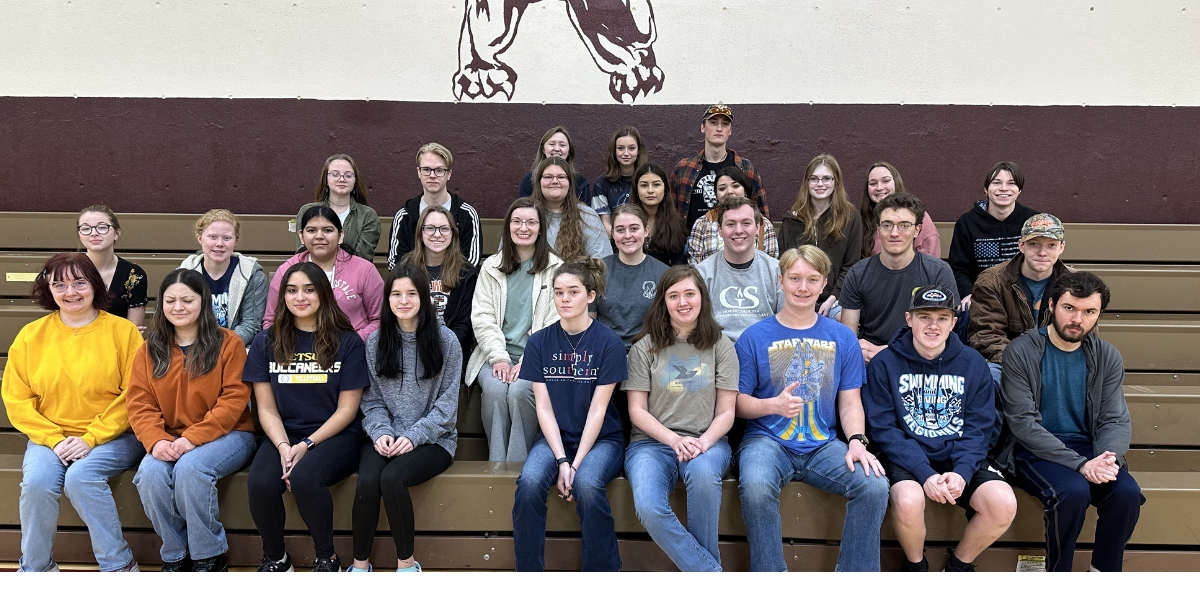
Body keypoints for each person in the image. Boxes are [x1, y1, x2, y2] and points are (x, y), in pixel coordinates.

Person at [734, 246, 889, 572]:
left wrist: (858, 441)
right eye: (795, 278)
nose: (802, 287)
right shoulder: (754, 336)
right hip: (767, 441)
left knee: (874, 486)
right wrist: (771, 405)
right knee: (756, 487)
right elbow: (736, 403)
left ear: (823, 285)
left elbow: (849, 402)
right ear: (781, 281)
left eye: (811, 279)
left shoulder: (841, 337)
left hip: (823, 444)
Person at [2, 253, 145, 572]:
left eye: (79, 282)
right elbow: (17, 398)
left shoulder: (123, 333)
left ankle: (119, 566)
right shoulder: (30, 336)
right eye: (60, 284)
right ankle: (36, 569)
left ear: (94, 284)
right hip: (50, 437)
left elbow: (134, 396)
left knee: (80, 478)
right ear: (48, 289)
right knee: (37, 482)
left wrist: (91, 438)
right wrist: (53, 439)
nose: (71, 292)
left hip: (114, 436)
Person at [995, 271, 1143, 572]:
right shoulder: (1021, 351)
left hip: (1089, 449)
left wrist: (1107, 457)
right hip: (1033, 451)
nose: (1078, 319)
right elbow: (1022, 423)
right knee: (1073, 492)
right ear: (1051, 305)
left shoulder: (1106, 356)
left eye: (1089, 311)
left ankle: (1103, 573)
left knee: (1126, 494)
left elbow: (1114, 418)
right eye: (1069, 308)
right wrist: (1080, 465)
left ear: (1099, 314)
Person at [863, 284, 1017, 572]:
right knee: (908, 500)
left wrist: (963, 471)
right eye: (924, 317)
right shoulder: (885, 364)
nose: (933, 325)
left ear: (954, 322)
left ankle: (958, 566)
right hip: (907, 457)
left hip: (960, 454)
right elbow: (884, 430)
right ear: (909, 319)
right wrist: (924, 473)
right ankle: (916, 566)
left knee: (1003, 503)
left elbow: (979, 426)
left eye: (942, 318)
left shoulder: (972, 363)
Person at [244, 261, 370, 572]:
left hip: (337, 435)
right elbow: (266, 408)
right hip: (284, 433)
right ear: (283, 296)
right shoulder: (266, 341)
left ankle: (326, 558)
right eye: (292, 290)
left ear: (323, 294)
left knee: (305, 477)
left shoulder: (348, 341)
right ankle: (276, 558)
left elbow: (347, 410)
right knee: (260, 482)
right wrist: (285, 446)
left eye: (309, 290)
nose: (300, 297)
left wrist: (307, 445)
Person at [127, 269, 256, 572]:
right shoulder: (149, 349)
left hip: (230, 434)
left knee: (191, 468)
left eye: (187, 299)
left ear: (203, 302)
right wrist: (155, 439)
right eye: (170, 300)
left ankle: (208, 554)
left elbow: (233, 400)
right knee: (150, 474)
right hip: (168, 437)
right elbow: (139, 403)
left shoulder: (229, 343)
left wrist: (193, 438)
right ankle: (175, 554)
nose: (178, 306)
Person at [512, 259, 628, 572]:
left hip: (602, 439)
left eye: (573, 291)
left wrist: (575, 466)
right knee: (529, 483)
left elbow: (598, 410)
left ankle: (602, 574)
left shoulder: (609, 343)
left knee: (588, 485)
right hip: (556, 437)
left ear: (590, 296)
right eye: (559, 292)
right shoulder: (539, 341)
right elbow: (544, 407)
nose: (564, 298)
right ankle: (528, 575)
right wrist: (563, 460)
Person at [624, 265, 738, 572]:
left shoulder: (721, 346)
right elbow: (637, 410)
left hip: (707, 441)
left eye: (690, 293)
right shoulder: (644, 347)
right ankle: (708, 573)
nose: (682, 302)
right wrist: (674, 439)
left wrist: (702, 442)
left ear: (702, 297)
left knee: (703, 479)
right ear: (663, 302)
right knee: (648, 506)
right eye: (673, 296)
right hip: (651, 444)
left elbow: (727, 411)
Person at [349, 265, 461, 573]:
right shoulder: (376, 342)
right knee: (369, 481)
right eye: (396, 294)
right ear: (387, 300)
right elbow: (370, 400)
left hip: (434, 440)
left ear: (425, 299)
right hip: (386, 436)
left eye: (411, 293)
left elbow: (447, 407)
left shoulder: (447, 341)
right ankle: (360, 567)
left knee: (392, 478)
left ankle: (407, 566)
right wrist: (381, 432)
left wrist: (412, 437)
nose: (404, 300)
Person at [466, 197, 564, 462]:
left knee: (521, 391)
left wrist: (528, 359)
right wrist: (499, 357)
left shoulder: (556, 268)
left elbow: (555, 322)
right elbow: (482, 316)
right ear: (508, 226)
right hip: (493, 355)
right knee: (496, 392)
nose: (524, 227)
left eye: (531, 222)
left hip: (537, 357)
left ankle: (519, 465)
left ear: (541, 228)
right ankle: (498, 464)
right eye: (517, 221)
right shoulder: (491, 267)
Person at [840, 192, 957, 365]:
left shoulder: (938, 272)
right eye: (887, 225)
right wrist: (858, 351)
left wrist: (890, 351)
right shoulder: (858, 273)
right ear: (878, 229)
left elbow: (943, 335)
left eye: (904, 225)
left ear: (917, 230)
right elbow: (847, 337)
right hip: (870, 361)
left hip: (921, 359)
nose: (894, 233)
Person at [969, 213, 1072, 386]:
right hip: (1008, 364)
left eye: (1051, 245)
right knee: (992, 375)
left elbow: (1085, 336)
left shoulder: (1076, 285)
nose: (1042, 253)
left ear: (1061, 247)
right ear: (1021, 245)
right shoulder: (992, 281)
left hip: (1058, 365)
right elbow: (987, 336)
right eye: (1034, 244)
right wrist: (1025, 368)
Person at [265, 205, 384, 342]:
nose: (319, 236)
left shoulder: (364, 270)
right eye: (311, 230)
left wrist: (352, 343)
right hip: (299, 354)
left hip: (352, 352)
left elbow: (380, 320)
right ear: (301, 236)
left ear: (341, 235)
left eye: (327, 230)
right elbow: (271, 321)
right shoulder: (286, 270)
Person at [779, 154, 863, 318]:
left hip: (835, 300)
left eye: (826, 179)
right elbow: (783, 263)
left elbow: (851, 265)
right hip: (797, 296)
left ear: (835, 182)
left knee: (844, 321)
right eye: (814, 179)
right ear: (807, 183)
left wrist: (832, 299)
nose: (820, 184)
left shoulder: (851, 217)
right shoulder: (793, 219)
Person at [948, 161, 1039, 306]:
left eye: (1011, 183)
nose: (1004, 188)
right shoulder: (967, 222)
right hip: (982, 298)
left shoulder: (1033, 221)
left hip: (1025, 298)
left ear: (1019, 189)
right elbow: (959, 269)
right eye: (997, 183)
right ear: (986, 189)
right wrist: (969, 293)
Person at [695, 196, 782, 342]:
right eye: (730, 224)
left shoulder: (776, 271)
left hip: (764, 350)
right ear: (720, 230)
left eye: (746, 223)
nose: (739, 230)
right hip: (717, 353)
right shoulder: (702, 273)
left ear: (757, 228)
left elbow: (786, 326)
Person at [400, 205, 480, 361]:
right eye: (430, 228)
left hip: (451, 350)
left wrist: (438, 347)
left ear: (453, 233)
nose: (437, 235)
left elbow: (463, 327)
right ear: (420, 232)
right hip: (411, 347)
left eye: (444, 229)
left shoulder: (466, 273)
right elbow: (400, 316)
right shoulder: (406, 268)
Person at [671, 103, 768, 231]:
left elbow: (761, 211)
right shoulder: (684, 168)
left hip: (736, 239)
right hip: (690, 243)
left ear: (730, 131)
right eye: (713, 123)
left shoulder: (745, 167)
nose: (719, 128)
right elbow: (670, 209)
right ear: (702, 127)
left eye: (725, 124)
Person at [180, 209, 268, 346]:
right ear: (199, 238)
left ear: (236, 241)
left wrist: (221, 346)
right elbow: (180, 319)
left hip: (235, 347)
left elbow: (251, 325)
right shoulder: (184, 273)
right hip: (194, 346)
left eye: (227, 238)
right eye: (213, 237)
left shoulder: (252, 275)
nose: (220, 243)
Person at [388, 142, 482, 269]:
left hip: (454, 286)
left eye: (439, 170)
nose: (432, 175)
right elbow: (396, 264)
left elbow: (471, 264)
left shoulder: (467, 214)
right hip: (415, 286)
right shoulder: (405, 215)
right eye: (426, 169)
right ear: (418, 172)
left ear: (448, 174)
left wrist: (442, 285)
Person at [594, 205, 669, 350]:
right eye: (620, 230)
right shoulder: (598, 270)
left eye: (634, 229)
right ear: (613, 233)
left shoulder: (664, 273)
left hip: (649, 353)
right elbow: (589, 321)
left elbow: (667, 325)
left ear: (646, 231)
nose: (627, 235)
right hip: (606, 351)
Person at [295, 154, 382, 262]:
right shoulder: (306, 211)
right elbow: (302, 254)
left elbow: (362, 258)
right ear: (326, 180)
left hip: (353, 276)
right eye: (335, 174)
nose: (342, 179)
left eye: (348, 175)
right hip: (313, 275)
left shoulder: (367, 215)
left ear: (355, 181)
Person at [686, 166, 778, 265]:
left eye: (735, 186)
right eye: (722, 188)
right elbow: (695, 267)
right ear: (716, 195)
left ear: (746, 191)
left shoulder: (763, 223)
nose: (729, 191)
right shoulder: (703, 223)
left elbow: (771, 264)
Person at [77, 205, 147, 329]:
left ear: (117, 233)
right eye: (86, 228)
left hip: (117, 347)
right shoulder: (67, 271)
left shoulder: (134, 274)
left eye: (102, 227)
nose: (94, 233)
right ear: (79, 235)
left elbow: (132, 333)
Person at [532, 156, 611, 261]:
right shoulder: (525, 214)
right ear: (539, 182)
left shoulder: (586, 216)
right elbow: (507, 257)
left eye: (561, 177)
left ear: (570, 183)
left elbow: (602, 262)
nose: (555, 181)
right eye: (548, 177)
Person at [859, 161, 940, 259]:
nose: (879, 187)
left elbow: (929, 263)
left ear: (896, 182)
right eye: (873, 183)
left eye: (886, 181)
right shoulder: (864, 219)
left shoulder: (917, 215)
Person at [591, 125, 648, 236]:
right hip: (613, 241)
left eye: (631, 148)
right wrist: (623, 239)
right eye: (621, 148)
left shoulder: (647, 180)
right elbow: (604, 222)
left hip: (644, 240)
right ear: (614, 151)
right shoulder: (601, 183)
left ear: (639, 151)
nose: (626, 153)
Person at [628, 163, 688, 266]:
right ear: (636, 190)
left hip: (666, 280)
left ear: (665, 189)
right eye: (644, 185)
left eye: (656, 185)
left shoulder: (677, 225)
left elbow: (677, 269)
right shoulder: (626, 222)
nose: (650, 190)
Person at [518, 126, 591, 204]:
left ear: (569, 151)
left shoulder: (581, 183)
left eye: (562, 145)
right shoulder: (529, 181)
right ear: (543, 149)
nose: (557, 149)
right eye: (552, 144)